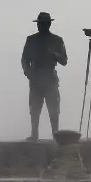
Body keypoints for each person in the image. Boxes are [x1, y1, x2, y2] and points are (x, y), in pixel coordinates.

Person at [21, 12, 68, 140]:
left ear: (49, 24)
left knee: (54, 108)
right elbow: (24, 59)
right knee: (34, 108)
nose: (40, 26)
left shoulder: (57, 40)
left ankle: (56, 134)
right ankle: (34, 134)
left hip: (50, 77)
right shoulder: (31, 40)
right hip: (35, 77)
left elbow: (64, 60)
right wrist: (28, 72)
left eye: (43, 24)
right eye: (39, 24)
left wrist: (54, 55)